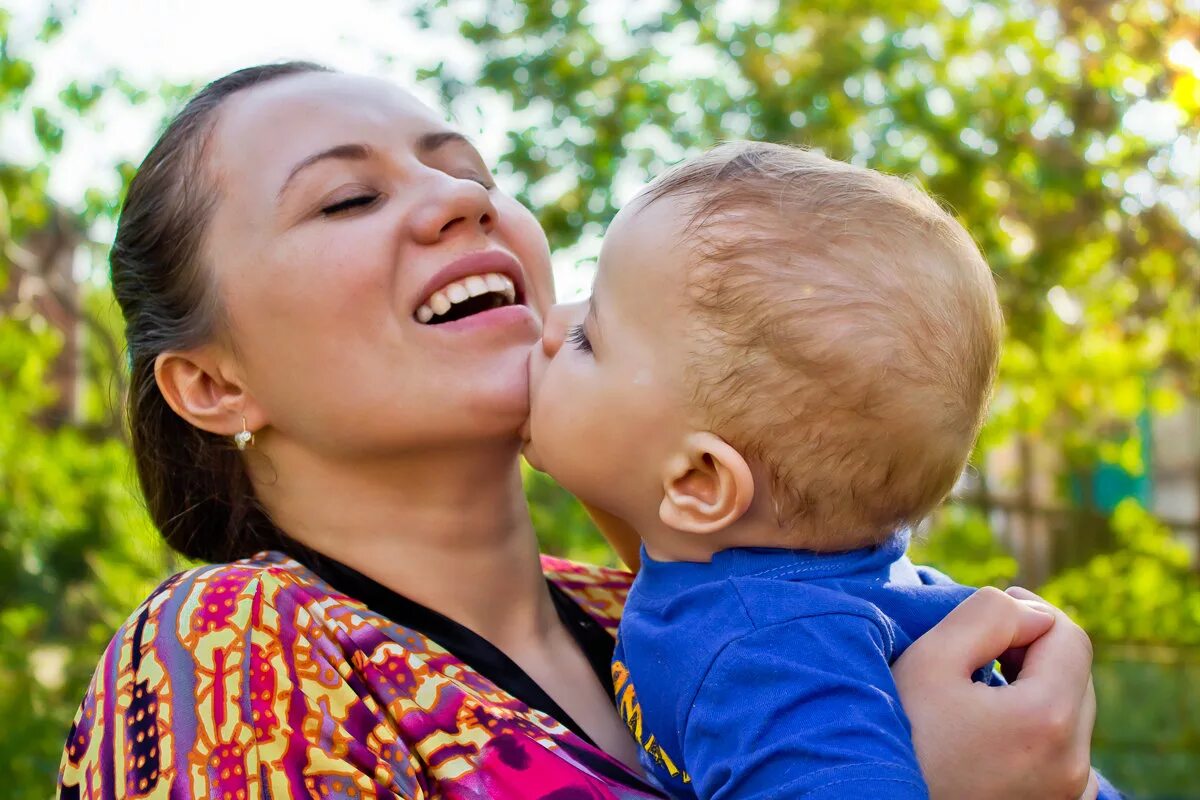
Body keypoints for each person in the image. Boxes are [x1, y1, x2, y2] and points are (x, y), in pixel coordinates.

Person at [58, 63, 1099, 799]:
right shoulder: (229, 647)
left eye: (471, 172)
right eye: (348, 198)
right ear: (211, 383)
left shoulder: (652, 599)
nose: (459, 201)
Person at [525, 141, 1115, 799]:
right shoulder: (782, 575)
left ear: (699, 482)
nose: (552, 322)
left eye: (587, 339)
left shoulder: (770, 657)